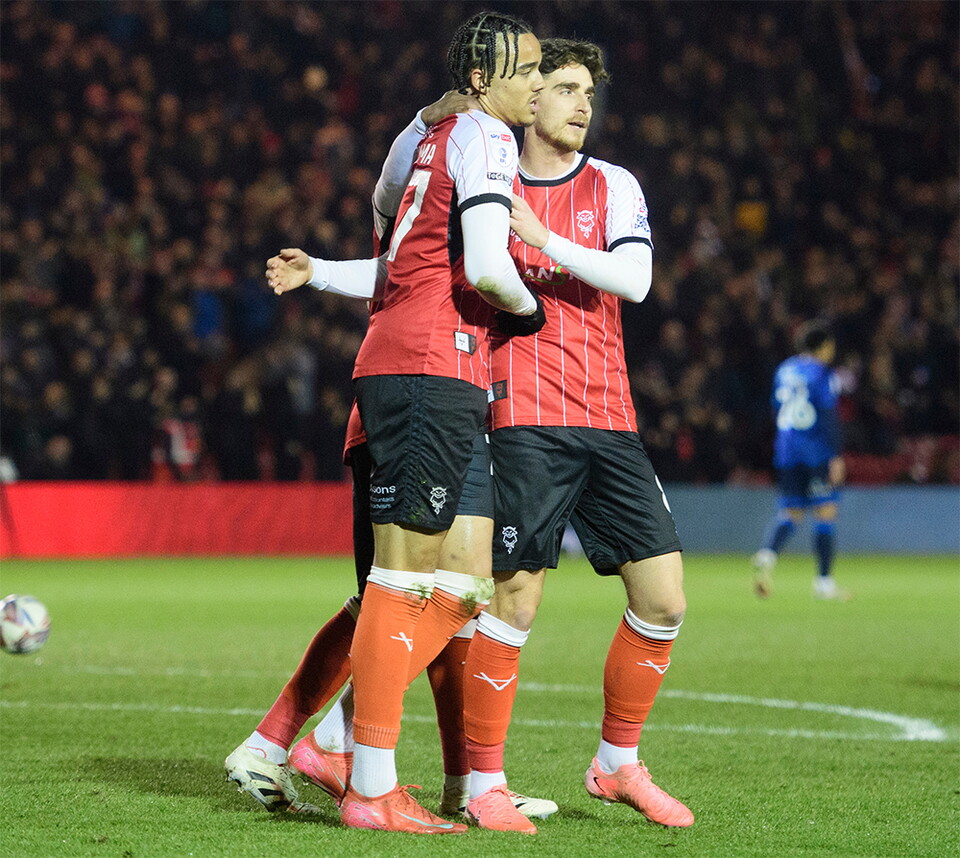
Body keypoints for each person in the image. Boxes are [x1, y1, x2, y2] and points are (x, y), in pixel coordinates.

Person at [229, 11, 546, 836]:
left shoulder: (430, 138)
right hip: (427, 367)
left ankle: (332, 741)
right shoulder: (485, 137)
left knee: (465, 581)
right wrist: (527, 305)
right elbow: (482, 262)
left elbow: (405, 246)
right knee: (399, 584)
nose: (539, 86)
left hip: (439, 368)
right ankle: (368, 780)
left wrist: (323, 270)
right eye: (529, 72)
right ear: (482, 79)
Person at [457, 38, 695, 833]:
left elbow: (636, 279)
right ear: (531, 101)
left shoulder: (612, 185)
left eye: (587, 90)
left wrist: (546, 238)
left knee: (663, 600)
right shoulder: (490, 185)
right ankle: (483, 782)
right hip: (524, 417)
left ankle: (616, 764)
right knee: (515, 601)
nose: (580, 104)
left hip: (611, 420)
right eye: (563, 89)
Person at [751, 320, 851, 600]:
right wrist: (835, 455)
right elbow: (829, 415)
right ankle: (824, 583)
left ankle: (768, 553)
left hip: (786, 450)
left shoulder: (784, 369)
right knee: (826, 511)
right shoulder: (822, 373)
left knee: (791, 512)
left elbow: (774, 407)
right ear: (823, 347)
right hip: (815, 451)